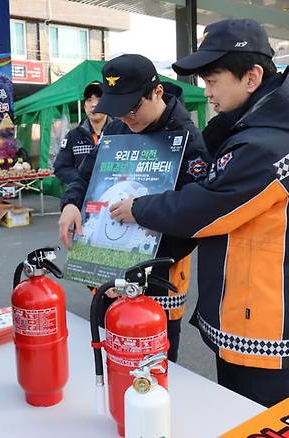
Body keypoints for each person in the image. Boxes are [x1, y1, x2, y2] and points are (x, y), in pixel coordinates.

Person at [108, 18, 289, 407]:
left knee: (263, 416)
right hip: (257, 307)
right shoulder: (258, 126)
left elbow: (208, 207)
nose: (207, 92)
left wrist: (138, 208)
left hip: (267, 320)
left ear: (251, 77)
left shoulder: (268, 142)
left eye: (212, 81)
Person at [58, 54, 209, 362]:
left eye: (132, 108)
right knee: (109, 349)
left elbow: (195, 213)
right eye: (118, 110)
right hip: (107, 265)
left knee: (151, 361)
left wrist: (141, 214)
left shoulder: (186, 137)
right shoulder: (116, 130)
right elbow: (86, 174)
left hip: (158, 275)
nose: (126, 117)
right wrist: (71, 203)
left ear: (157, 92)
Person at [53, 81, 112, 185]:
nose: (94, 104)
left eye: (99, 99)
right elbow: (61, 168)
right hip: (82, 196)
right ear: (84, 107)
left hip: (114, 194)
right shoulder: (73, 136)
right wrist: (83, 180)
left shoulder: (120, 132)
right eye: (89, 100)